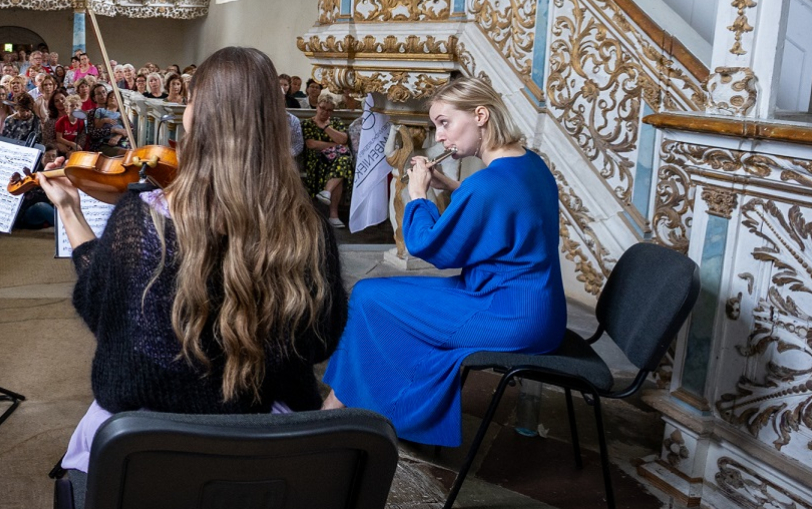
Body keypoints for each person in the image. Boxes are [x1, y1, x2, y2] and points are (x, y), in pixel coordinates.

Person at [37, 46, 348, 495]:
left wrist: (70, 212)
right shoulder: (309, 227)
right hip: (263, 441)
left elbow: (101, 311)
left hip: (146, 440)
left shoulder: (140, 218)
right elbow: (321, 340)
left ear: (196, 114)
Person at [322, 76, 566, 446]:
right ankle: (347, 403)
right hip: (537, 309)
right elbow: (498, 209)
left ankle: (342, 409)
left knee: (370, 297)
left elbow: (431, 249)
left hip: (507, 315)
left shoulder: (487, 185)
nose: (440, 137)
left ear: (480, 115)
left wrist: (417, 193)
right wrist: (448, 186)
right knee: (379, 295)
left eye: (445, 122)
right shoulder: (530, 164)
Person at [302, 91, 352, 229]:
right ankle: (333, 214)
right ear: (317, 106)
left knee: (342, 161)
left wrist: (325, 127)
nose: (325, 112)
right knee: (341, 167)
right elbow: (311, 144)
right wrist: (336, 145)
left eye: (329, 110)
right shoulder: (307, 123)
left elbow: (343, 139)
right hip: (316, 160)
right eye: (322, 108)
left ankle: (327, 192)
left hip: (336, 160)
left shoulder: (335, 122)